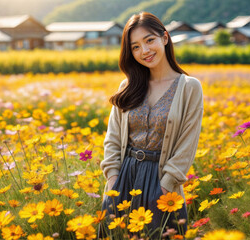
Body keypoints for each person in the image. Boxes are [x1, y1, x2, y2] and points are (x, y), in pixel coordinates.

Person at [99, 11, 204, 238]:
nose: (144, 51)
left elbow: (188, 143)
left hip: (162, 182)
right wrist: (113, 180)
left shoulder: (189, 87)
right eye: (135, 47)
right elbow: (113, 137)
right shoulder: (128, 85)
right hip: (124, 177)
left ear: (164, 38)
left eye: (149, 41)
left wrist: (165, 186)